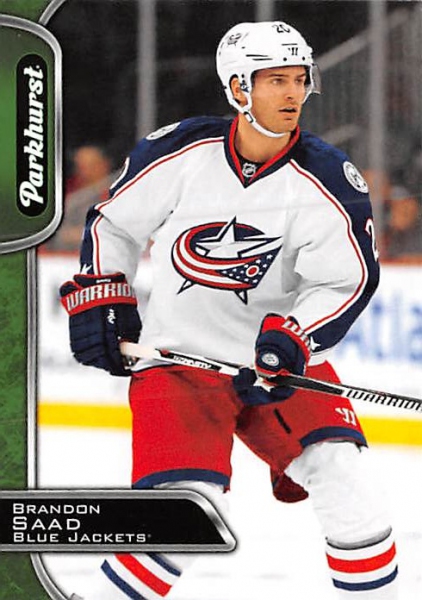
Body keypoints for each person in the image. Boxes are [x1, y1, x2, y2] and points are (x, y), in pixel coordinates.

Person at [61, 21, 398, 600]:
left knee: (347, 483)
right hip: (178, 364)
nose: (293, 94)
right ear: (239, 88)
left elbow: (347, 280)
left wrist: (296, 336)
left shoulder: (327, 179)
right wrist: (104, 292)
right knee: (183, 516)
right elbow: (113, 224)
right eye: (276, 80)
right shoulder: (179, 151)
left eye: (299, 79)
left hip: (281, 362)